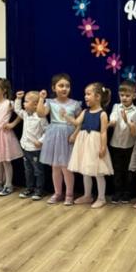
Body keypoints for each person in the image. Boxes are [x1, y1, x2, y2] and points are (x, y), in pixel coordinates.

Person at [68, 82, 114, 208]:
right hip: (84, 144)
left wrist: (103, 147)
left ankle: (101, 198)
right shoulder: (85, 111)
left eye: (88, 94)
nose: (85, 97)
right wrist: (66, 116)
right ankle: (87, 195)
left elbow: (103, 132)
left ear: (97, 97)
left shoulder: (102, 114)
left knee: (98, 172)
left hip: (95, 144)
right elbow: (76, 122)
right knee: (86, 171)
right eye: (85, 94)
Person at [39, 73, 81, 205]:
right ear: (54, 88)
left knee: (66, 167)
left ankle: (69, 194)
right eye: (61, 86)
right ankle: (57, 193)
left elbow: (80, 122)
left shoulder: (75, 104)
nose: (64, 88)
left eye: (67, 86)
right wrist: (41, 99)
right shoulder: (50, 102)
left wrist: (75, 134)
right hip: (54, 136)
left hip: (68, 136)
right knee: (55, 167)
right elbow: (41, 113)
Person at [13, 90, 48, 200]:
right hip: (25, 147)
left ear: (35, 104)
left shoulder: (41, 117)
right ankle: (29, 188)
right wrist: (18, 99)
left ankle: (39, 190)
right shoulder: (25, 114)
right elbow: (17, 109)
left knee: (38, 171)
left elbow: (48, 131)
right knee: (28, 170)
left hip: (35, 150)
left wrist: (41, 141)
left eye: (26, 101)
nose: (24, 103)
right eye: (24, 101)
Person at [108, 80, 136, 204]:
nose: (124, 98)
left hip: (129, 145)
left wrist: (127, 121)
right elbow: (113, 118)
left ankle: (127, 193)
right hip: (115, 144)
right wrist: (111, 122)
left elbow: (134, 130)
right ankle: (117, 191)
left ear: (134, 96)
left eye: (127, 95)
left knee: (129, 171)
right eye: (122, 95)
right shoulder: (116, 106)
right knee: (117, 170)